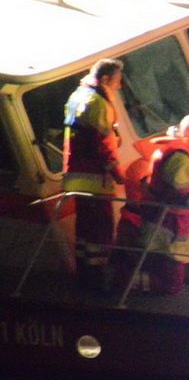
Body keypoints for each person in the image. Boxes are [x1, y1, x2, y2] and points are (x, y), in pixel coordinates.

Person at [115, 114, 189, 295]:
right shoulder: (181, 158)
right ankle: (121, 280)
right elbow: (171, 195)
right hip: (166, 228)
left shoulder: (186, 154)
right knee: (171, 285)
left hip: (175, 223)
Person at [63, 58, 126, 290]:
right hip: (96, 180)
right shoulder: (98, 103)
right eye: (118, 81)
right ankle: (99, 280)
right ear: (106, 79)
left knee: (84, 231)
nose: (119, 87)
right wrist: (119, 175)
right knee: (101, 230)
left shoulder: (77, 96)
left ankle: (84, 275)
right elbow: (103, 145)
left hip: (77, 177)